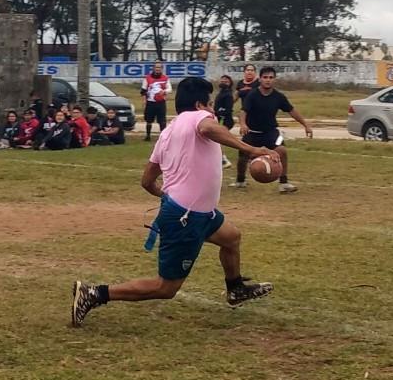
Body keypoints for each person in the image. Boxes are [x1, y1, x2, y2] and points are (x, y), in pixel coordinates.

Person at [71, 76, 278, 326]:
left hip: (196, 213)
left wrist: (167, 198)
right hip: (186, 217)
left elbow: (147, 181)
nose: (212, 109)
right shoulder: (199, 119)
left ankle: (235, 289)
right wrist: (252, 150)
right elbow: (208, 128)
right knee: (166, 288)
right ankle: (94, 293)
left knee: (231, 237)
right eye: (210, 104)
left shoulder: (168, 132)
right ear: (201, 104)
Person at [233, 66, 313, 193]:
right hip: (252, 132)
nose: (268, 80)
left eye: (271, 77)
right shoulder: (252, 95)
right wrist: (243, 124)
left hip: (271, 132)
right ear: (260, 79)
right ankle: (240, 180)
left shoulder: (278, 96)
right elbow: (243, 111)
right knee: (242, 155)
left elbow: (291, 111)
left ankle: (283, 183)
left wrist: (306, 125)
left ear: (274, 79)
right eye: (265, 77)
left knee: (282, 151)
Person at [140, 61, 172, 141]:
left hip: (160, 103)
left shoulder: (165, 78)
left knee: (162, 120)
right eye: (156, 67)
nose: (158, 69)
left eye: (159, 68)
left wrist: (164, 91)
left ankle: (163, 137)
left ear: (162, 69)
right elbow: (143, 90)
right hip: (150, 102)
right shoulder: (147, 78)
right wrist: (144, 100)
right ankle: (148, 136)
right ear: (153, 68)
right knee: (149, 120)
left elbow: (170, 89)